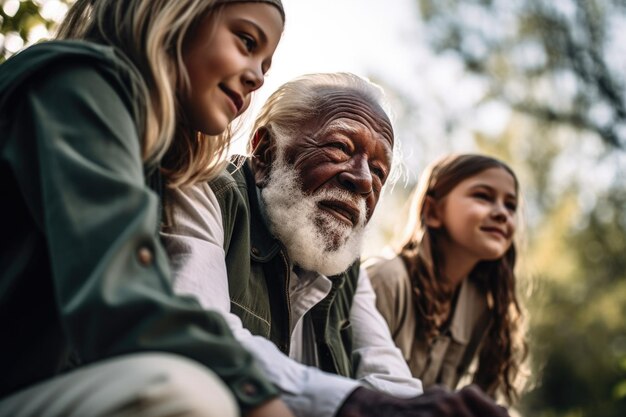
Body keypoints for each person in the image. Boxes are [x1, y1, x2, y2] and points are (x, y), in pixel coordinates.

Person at [0, 1, 292, 416]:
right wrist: (256, 394)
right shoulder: (76, 84)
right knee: (188, 394)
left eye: (266, 65)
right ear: (176, 13)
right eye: (246, 42)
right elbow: (121, 291)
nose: (257, 77)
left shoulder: (153, 163)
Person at [162, 74, 511, 417]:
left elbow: (387, 376)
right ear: (266, 152)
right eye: (340, 148)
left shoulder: (347, 267)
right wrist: (355, 403)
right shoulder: (207, 192)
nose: (361, 180)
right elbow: (200, 331)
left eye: (378, 171)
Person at [365, 153, 528, 406]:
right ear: (432, 212)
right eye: (483, 196)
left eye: (510, 205)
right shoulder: (386, 280)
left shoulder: (480, 305)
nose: (502, 214)